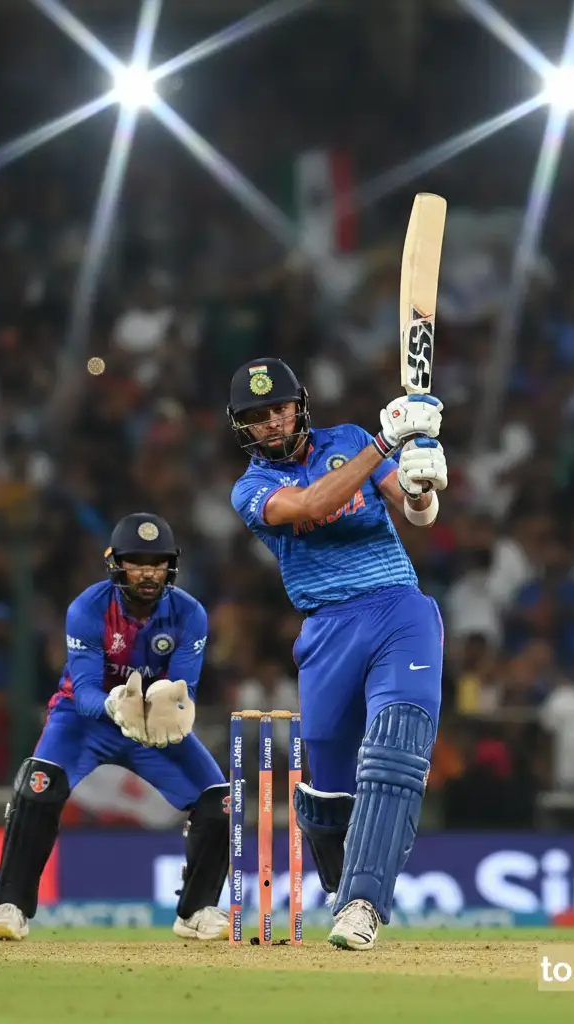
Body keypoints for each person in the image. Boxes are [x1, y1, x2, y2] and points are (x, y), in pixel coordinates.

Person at [227, 357, 448, 950]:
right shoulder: (250, 490)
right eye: (256, 416)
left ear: (298, 404)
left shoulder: (347, 440)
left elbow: (413, 512)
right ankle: (340, 886)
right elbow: (310, 507)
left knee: (396, 750)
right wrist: (386, 440)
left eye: (279, 408)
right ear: (241, 428)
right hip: (326, 630)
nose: (272, 422)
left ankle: (362, 903)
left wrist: (423, 486)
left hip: (398, 608)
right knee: (326, 791)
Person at [0, 513, 229, 942]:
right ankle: (10, 907)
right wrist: (115, 704)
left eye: (157, 562)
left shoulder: (189, 613)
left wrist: (174, 705)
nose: (148, 572)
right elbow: (83, 689)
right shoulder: (88, 608)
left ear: (171, 565)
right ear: (116, 563)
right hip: (84, 721)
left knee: (220, 802)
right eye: (137, 561)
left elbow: (183, 685)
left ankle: (196, 911)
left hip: (150, 727)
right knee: (37, 786)